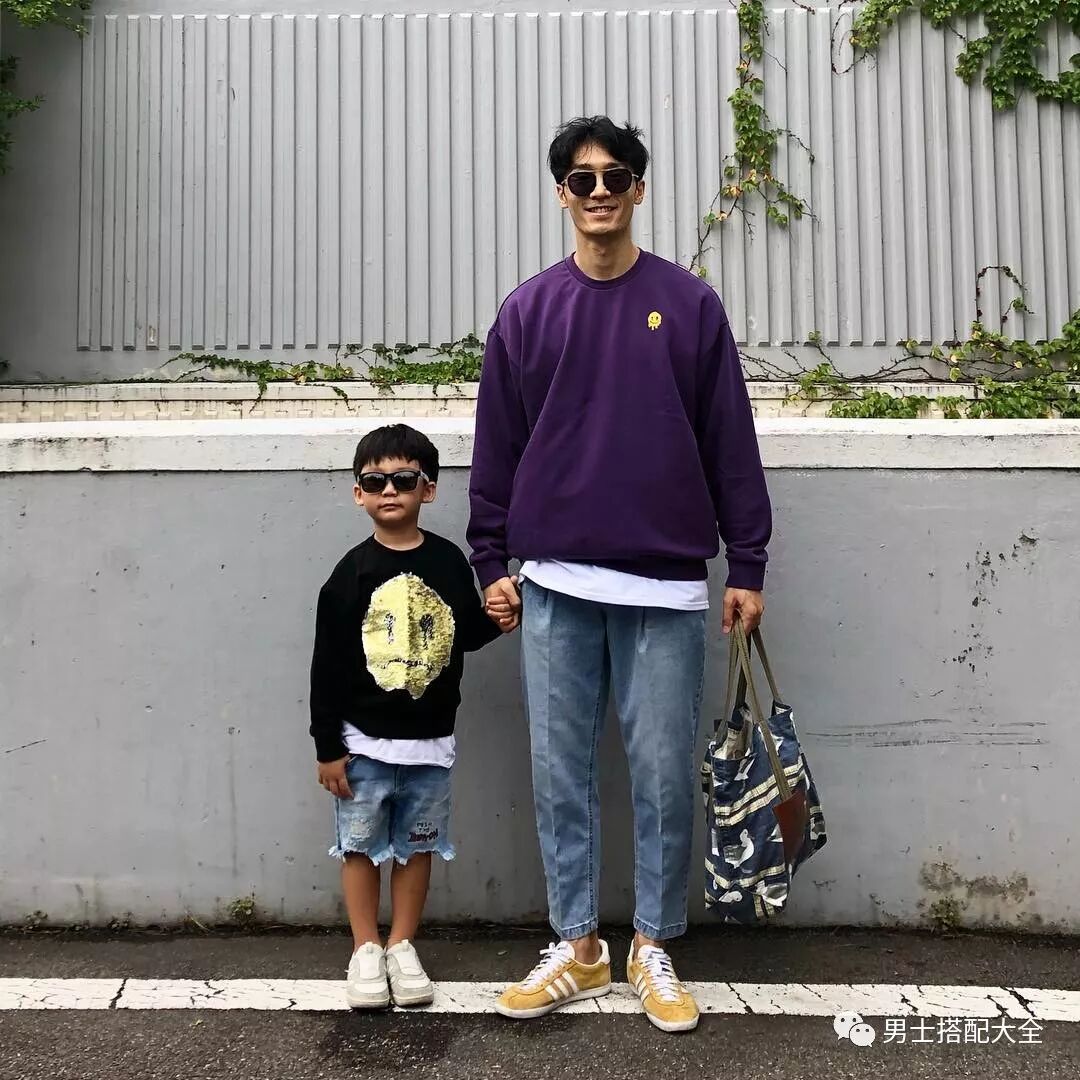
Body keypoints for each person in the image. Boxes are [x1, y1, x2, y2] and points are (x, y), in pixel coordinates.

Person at [469, 116, 772, 1033]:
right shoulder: (528, 311)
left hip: (666, 586)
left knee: (662, 777)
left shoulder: (689, 305)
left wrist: (747, 560)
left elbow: (729, 440)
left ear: (639, 189)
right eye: (581, 177)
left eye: (614, 176)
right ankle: (578, 946)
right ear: (561, 193)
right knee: (559, 774)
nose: (598, 190)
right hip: (555, 582)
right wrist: (491, 559)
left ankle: (651, 945)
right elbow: (497, 446)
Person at [310, 424, 503, 1009]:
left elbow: (462, 633)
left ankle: (401, 944)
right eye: (375, 481)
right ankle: (365, 948)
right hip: (362, 747)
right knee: (360, 847)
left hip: (430, 746)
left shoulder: (448, 562)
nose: (389, 490)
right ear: (358, 493)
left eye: (403, 479)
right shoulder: (348, 575)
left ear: (429, 488)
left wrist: (499, 617)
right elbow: (327, 667)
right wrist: (327, 747)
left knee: (419, 847)